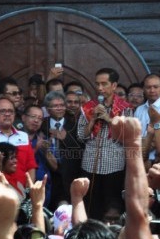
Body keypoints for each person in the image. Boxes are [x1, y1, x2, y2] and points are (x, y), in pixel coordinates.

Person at [77, 68, 132, 220]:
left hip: (114, 165)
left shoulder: (125, 108)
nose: (99, 88)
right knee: (91, 207)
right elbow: (81, 136)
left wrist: (108, 119)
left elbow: (127, 137)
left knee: (112, 208)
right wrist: (93, 118)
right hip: (90, 164)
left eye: (104, 84)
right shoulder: (88, 107)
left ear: (114, 85)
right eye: (97, 84)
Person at [0, 98, 37, 198]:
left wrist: (29, 192)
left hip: (22, 193)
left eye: (10, 111)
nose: (7, 114)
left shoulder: (23, 136)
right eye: (3, 111)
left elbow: (31, 166)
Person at [42, 91, 83, 208]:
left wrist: (65, 138)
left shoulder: (74, 124)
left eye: (62, 105)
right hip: (48, 175)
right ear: (48, 109)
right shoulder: (42, 124)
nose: (60, 108)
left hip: (69, 176)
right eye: (55, 106)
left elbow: (82, 151)